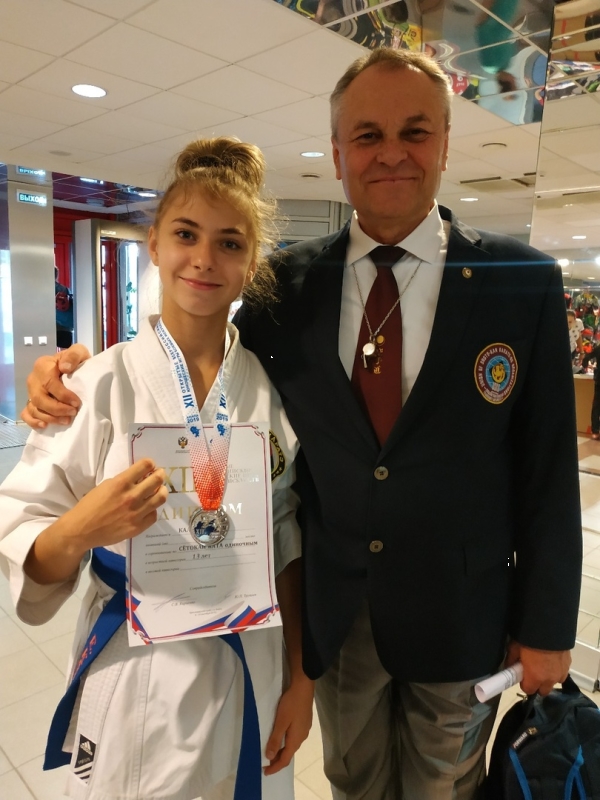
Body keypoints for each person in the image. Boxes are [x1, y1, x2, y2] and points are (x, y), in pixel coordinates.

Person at [21, 49, 582, 800]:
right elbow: (197, 359)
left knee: (447, 788)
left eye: (414, 132)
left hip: (463, 614)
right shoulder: (287, 288)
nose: (390, 153)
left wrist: (547, 627)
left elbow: (548, 469)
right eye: (367, 135)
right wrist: (70, 370)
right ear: (339, 153)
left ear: (445, 143)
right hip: (336, 616)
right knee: (354, 783)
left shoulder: (521, 283)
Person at [0, 137, 314, 800]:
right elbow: (24, 536)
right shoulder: (94, 384)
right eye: (186, 234)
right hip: (139, 667)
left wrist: (298, 680)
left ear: (251, 263)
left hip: (249, 660)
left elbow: (286, 540)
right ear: (154, 243)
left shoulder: (267, 390)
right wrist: (79, 530)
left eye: (230, 242)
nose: (203, 258)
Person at [582, 342, 600, 440]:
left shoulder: (598, 348)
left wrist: (584, 366)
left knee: (597, 405)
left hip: (599, 380)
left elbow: (586, 358)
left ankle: (595, 431)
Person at [55, 264, 74, 349]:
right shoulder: (66, 289)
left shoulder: (45, 289)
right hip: (67, 328)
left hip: (53, 327)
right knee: (65, 353)